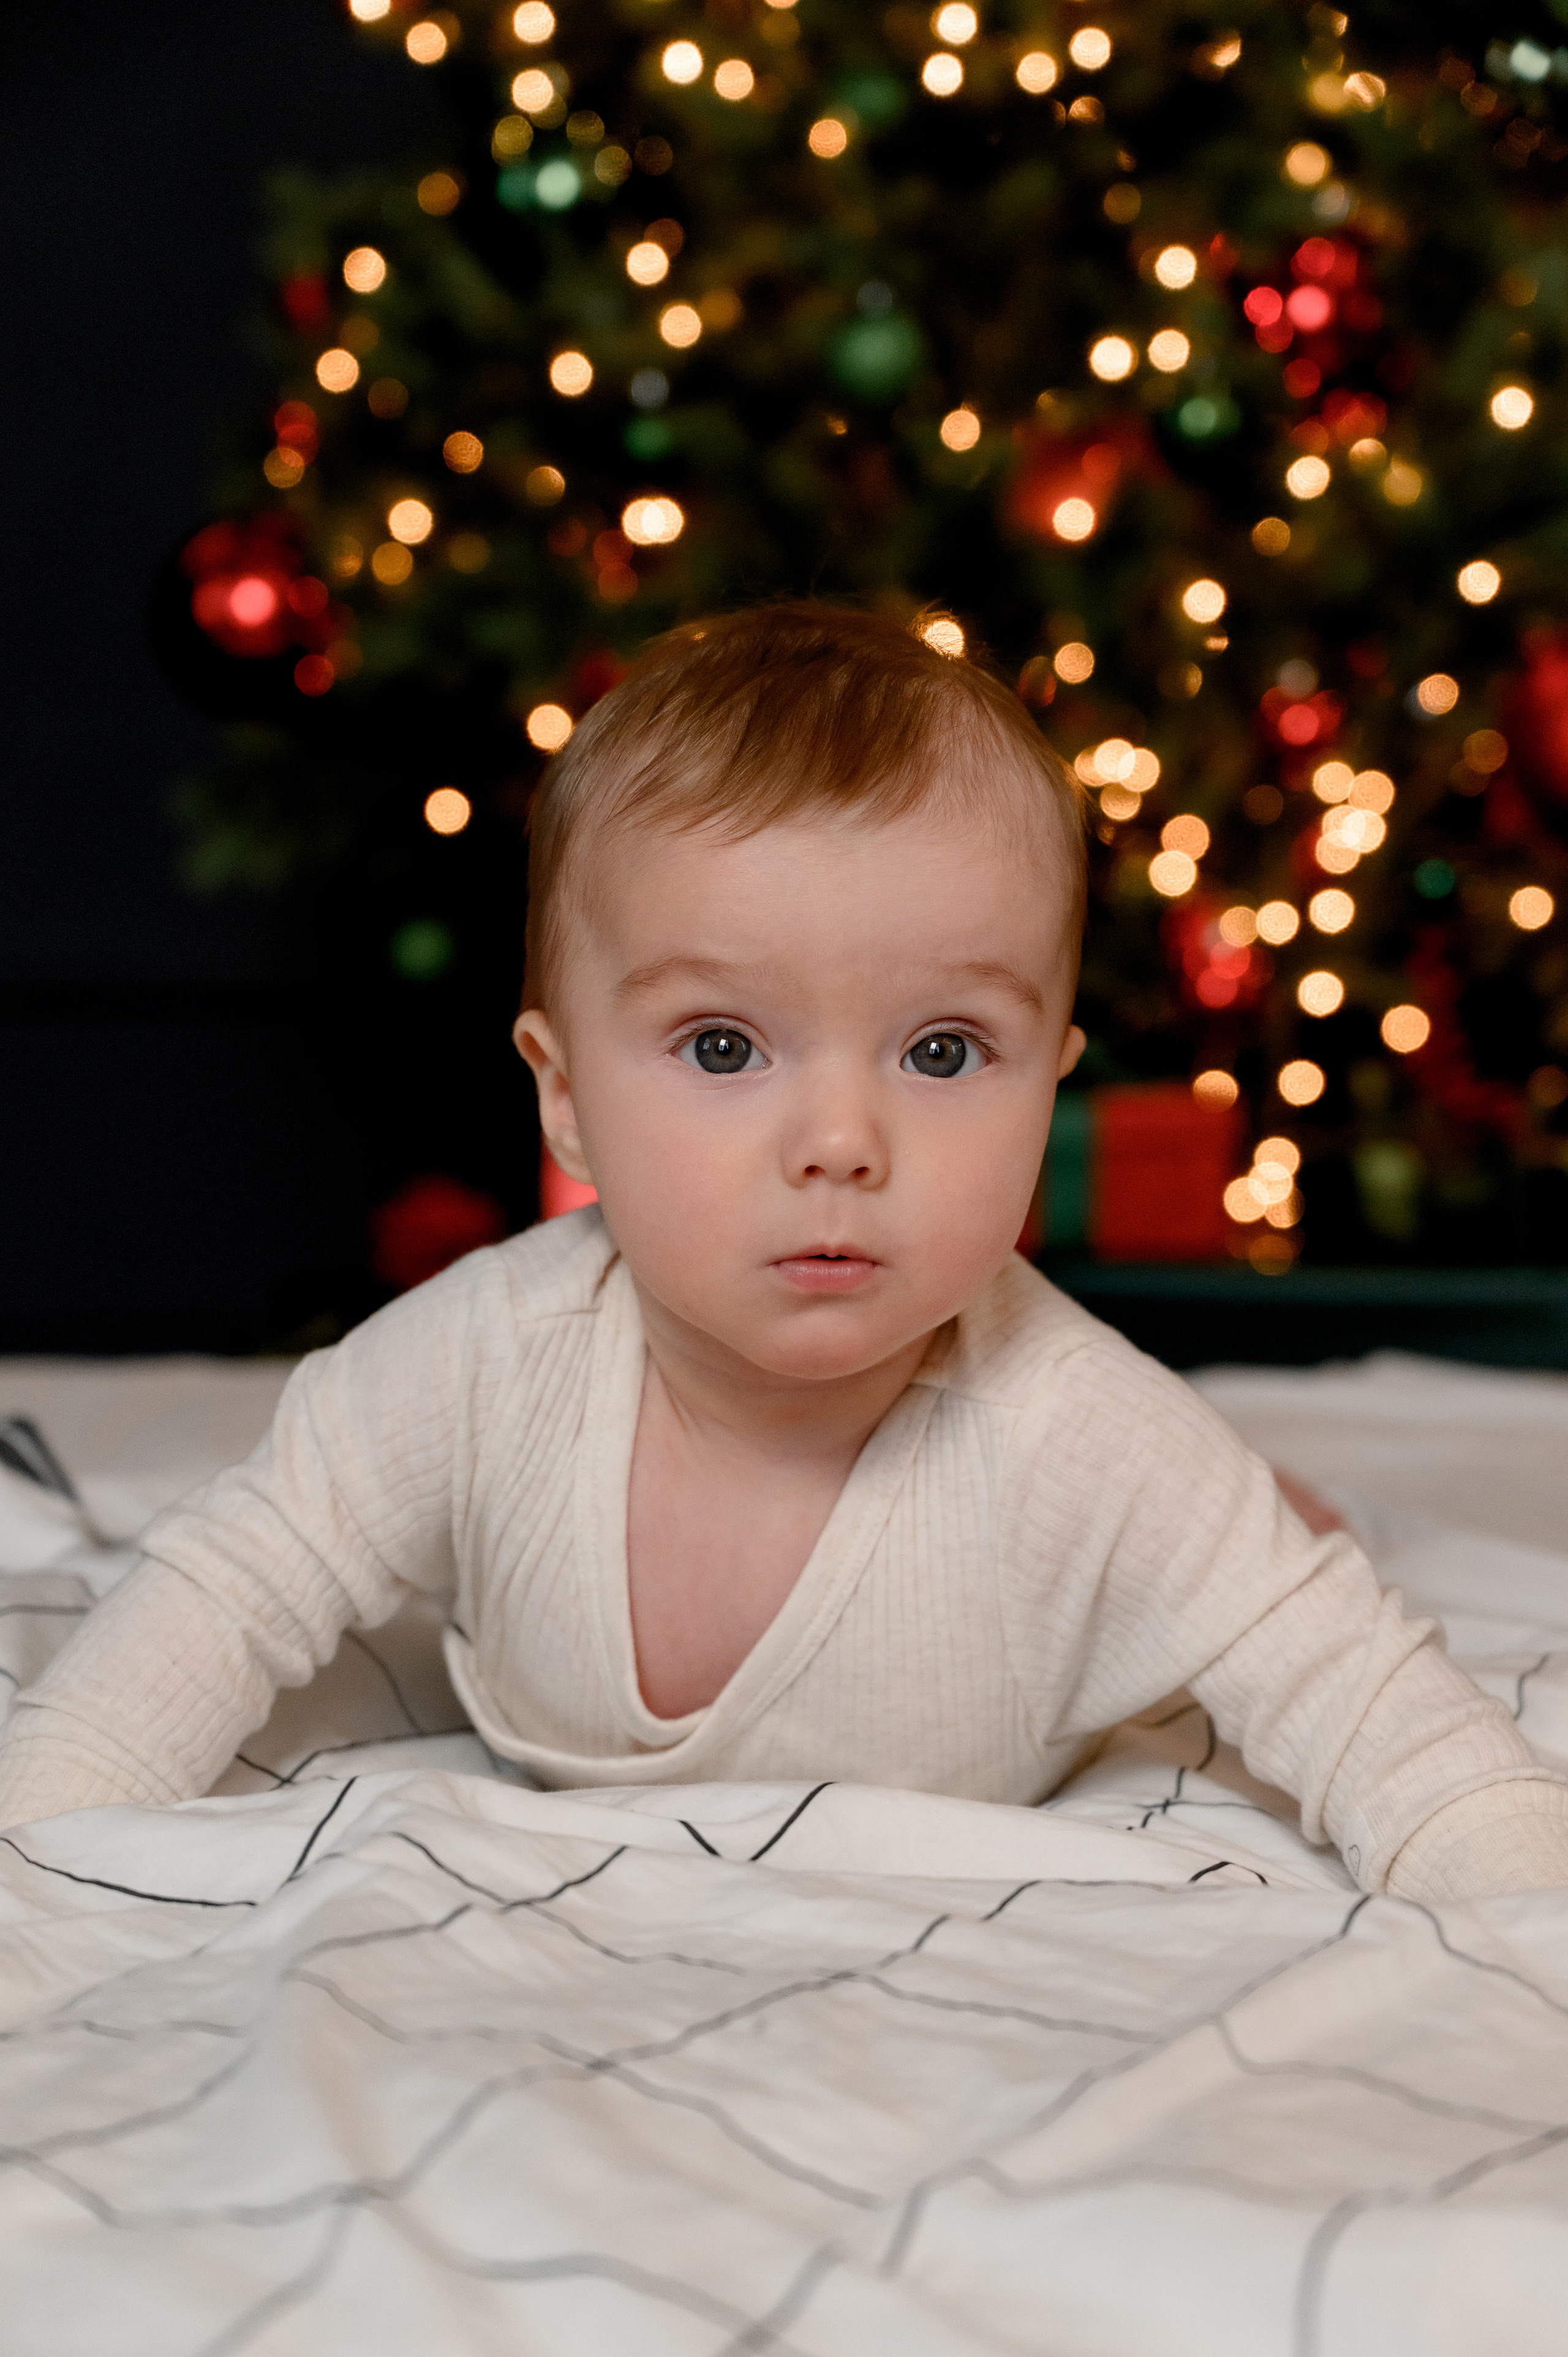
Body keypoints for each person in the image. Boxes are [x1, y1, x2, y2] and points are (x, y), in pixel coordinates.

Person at [1, 603, 1564, 1901]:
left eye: (943, 1053)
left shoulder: (1085, 1440)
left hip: (1088, 1571)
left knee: (1256, 1558)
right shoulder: (481, 1361)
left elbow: (1368, 1704)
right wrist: (51, 1821)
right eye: (723, 1043)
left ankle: (1282, 1514)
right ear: (565, 1098)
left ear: (1049, 1089)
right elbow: (234, 1577)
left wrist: (1506, 1887)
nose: (840, 1140)